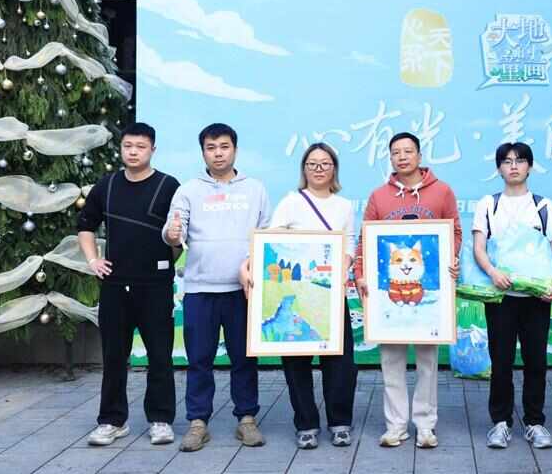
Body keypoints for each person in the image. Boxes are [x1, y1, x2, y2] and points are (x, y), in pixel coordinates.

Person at [239, 143, 358, 450]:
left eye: (325, 163)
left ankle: (340, 422)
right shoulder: (291, 202)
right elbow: (271, 240)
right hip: (294, 290)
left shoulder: (344, 206)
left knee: (341, 362)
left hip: (331, 293)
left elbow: (349, 245)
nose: (318, 168)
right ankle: (306, 424)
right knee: (296, 362)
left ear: (334, 168)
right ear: (304, 169)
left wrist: (342, 265)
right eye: (312, 163)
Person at [162, 123, 271, 452]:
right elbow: (173, 232)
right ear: (203, 152)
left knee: (244, 358)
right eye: (211, 148)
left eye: (224, 146)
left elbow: (266, 234)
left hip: (243, 290)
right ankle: (198, 423)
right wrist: (171, 234)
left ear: (235, 149)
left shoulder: (255, 189)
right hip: (200, 289)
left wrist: (252, 267)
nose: (218, 153)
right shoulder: (188, 190)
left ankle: (247, 419)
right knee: (199, 359)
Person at [353, 132, 461, 449]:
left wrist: (451, 259)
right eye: (396, 152)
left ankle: (425, 425)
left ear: (419, 155)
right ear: (390, 158)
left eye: (408, 151)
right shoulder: (379, 196)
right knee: (391, 361)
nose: (402, 157)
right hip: (388, 295)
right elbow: (364, 239)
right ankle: (396, 425)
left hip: (430, 297)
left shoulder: (442, 191)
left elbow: (454, 231)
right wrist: (360, 274)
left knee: (428, 362)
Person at [78, 122, 181, 447]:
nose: (133, 152)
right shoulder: (107, 185)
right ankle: (112, 421)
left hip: (156, 286)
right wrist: (93, 260)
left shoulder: (169, 186)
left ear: (153, 150)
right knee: (114, 357)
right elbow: (85, 225)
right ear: (121, 148)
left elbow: (178, 238)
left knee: (160, 356)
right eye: (128, 146)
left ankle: (161, 420)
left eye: (141, 146)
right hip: (115, 285)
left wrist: (170, 254)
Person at [472, 142, 552, 450]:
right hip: (501, 296)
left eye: (520, 160)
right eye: (507, 161)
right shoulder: (489, 204)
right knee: (500, 360)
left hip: (536, 298)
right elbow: (478, 247)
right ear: (499, 168)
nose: (513, 166)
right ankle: (500, 423)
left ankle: (535, 422)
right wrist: (492, 272)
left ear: (530, 167)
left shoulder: (544, 206)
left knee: (536, 360)